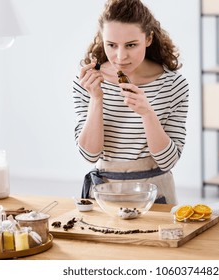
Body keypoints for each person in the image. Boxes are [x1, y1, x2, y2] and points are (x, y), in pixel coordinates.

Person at [72, 0, 189, 204]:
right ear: (102, 40)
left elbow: (168, 160)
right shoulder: (87, 82)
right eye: (111, 45)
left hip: (155, 196)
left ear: (149, 38)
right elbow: (89, 155)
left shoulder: (173, 84)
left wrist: (147, 113)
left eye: (131, 45)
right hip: (103, 196)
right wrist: (96, 99)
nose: (120, 56)